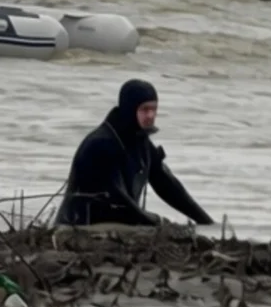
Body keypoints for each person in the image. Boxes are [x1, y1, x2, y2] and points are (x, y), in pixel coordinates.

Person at [55, 79, 214, 227]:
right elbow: (118, 200)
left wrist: (206, 223)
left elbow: (166, 184)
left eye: (154, 109)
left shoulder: (139, 140)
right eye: (145, 109)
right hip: (82, 226)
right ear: (130, 110)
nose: (150, 116)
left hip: (121, 221)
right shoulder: (102, 144)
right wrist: (157, 223)